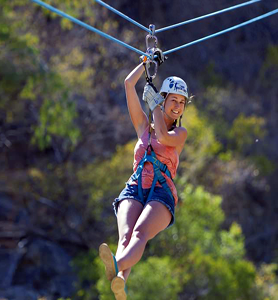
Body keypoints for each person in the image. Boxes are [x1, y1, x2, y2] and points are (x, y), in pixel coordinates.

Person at [98, 61, 190, 300]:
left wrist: (156, 105)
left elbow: (163, 135)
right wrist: (145, 63)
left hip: (161, 193)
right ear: (164, 98)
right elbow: (128, 84)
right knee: (125, 235)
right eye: (173, 100)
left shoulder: (180, 134)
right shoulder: (143, 127)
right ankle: (120, 282)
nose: (178, 106)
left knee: (140, 232)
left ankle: (116, 265)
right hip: (136, 186)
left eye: (182, 102)